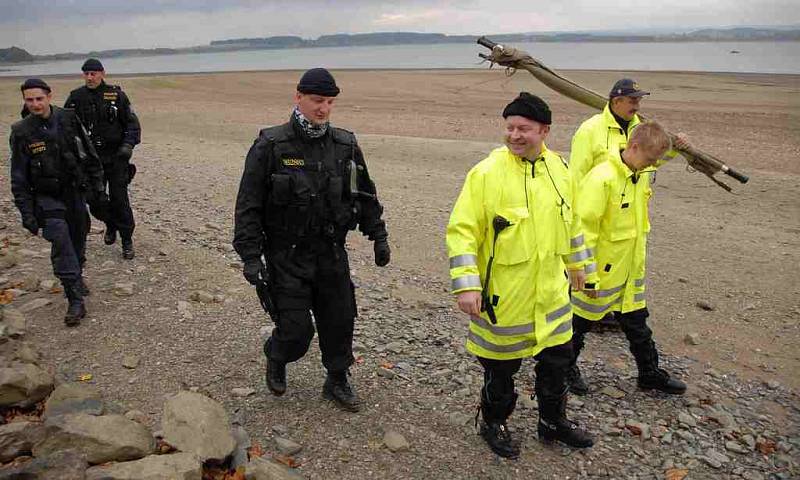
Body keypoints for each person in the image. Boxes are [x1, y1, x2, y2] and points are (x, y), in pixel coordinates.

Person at [446, 92, 595, 458]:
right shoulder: (486, 173)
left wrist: (581, 268)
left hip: (552, 296)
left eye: (523, 129)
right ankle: (493, 422)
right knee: (500, 369)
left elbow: (573, 224)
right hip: (505, 297)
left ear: (544, 131)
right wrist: (467, 286)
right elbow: (462, 231)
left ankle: (553, 422)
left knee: (558, 362)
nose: (514, 135)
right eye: (510, 127)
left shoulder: (561, 170)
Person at [233, 68, 390, 412]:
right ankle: (277, 355)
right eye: (318, 100)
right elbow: (248, 205)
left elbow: (364, 194)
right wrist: (249, 256)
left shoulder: (345, 145)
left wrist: (378, 235)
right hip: (286, 256)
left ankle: (337, 379)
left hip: (331, 253)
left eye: (330, 102)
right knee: (296, 331)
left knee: (340, 319)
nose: (323, 109)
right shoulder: (271, 146)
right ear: (299, 97)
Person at [569, 120, 687, 397]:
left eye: (655, 160)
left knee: (638, 327)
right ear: (633, 147)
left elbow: (656, 157)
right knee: (576, 327)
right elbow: (583, 230)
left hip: (629, 273)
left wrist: (676, 149)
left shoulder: (640, 171)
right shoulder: (602, 179)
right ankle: (564, 371)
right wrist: (587, 272)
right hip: (599, 274)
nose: (652, 165)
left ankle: (649, 374)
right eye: (650, 159)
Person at [9, 78, 105, 326]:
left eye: (39, 99)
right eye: (29, 100)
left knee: (78, 237)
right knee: (61, 242)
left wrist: (98, 188)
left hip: (74, 193)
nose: (35, 104)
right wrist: (26, 213)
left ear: (49, 97)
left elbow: (89, 152)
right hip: (47, 198)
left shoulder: (68, 118)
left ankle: (78, 272)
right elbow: (18, 176)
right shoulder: (21, 132)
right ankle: (74, 299)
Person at [65, 58, 141, 260]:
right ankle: (110, 224)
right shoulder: (76, 98)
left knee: (119, 199)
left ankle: (126, 239)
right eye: (86, 74)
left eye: (93, 73)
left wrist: (127, 146)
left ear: (102, 73)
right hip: (90, 161)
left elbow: (133, 125)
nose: (90, 77)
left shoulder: (116, 96)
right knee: (94, 200)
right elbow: (65, 127)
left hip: (116, 158)